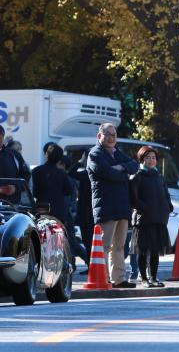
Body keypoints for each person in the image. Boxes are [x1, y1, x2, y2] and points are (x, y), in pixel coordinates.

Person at [86, 123, 138, 288]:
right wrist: (124, 173)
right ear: (99, 136)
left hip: (122, 206)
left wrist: (121, 167)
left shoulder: (117, 153)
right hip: (106, 206)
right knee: (105, 245)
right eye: (107, 134)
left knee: (120, 245)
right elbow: (107, 174)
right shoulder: (94, 154)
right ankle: (103, 278)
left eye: (113, 135)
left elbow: (134, 166)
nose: (111, 138)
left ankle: (119, 279)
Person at [129, 146, 172, 287]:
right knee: (142, 251)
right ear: (141, 159)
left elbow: (166, 195)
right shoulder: (137, 176)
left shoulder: (159, 177)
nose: (151, 160)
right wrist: (145, 209)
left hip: (158, 219)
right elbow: (133, 199)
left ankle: (153, 277)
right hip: (143, 220)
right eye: (147, 157)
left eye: (153, 158)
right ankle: (143, 278)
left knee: (154, 251)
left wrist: (168, 207)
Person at [72, 153, 94, 272]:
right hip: (88, 212)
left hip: (87, 212)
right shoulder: (88, 173)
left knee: (88, 240)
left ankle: (91, 265)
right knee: (88, 241)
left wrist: (80, 161)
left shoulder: (87, 174)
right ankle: (90, 265)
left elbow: (71, 172)